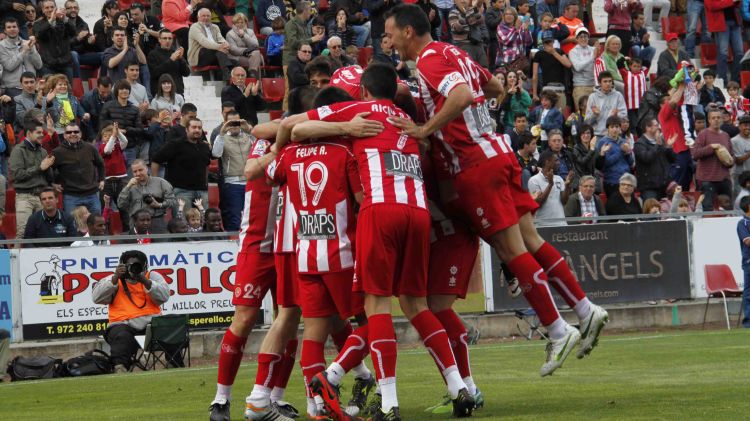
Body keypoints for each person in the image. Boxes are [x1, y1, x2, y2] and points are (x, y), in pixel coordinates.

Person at [387, 0, 608, 390]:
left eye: (390, 35)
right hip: (498, 151)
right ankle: (584, 308)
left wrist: (426, 130)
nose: (389, 42)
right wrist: (482, 120)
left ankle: (557, 330)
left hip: (475, 164)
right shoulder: (455, 51)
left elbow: (457, 96)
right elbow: (492, 86)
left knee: (511, 251)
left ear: (408, 31)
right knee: (529, 239)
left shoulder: (428, 60)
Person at [92, 250, 171, 372]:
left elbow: (164, 296)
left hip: (151, 324)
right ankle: (120, 368)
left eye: (137, 266)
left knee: (173, 324)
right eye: (129, 266)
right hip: (123, 324)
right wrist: (115, 278)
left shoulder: (152, 276)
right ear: (122, 266)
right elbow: (96, 298)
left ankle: (174, 363)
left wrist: (143, 279)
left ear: (145, 266)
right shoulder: (114, 279)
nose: (133, 269)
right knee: (122, 336)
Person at [152, 118, 212, 213]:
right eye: (194, 127)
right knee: (182, 224)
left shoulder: (204, 146)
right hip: (181, 191)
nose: (197, 130)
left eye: (199, 128)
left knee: (204, 222)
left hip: (201, 191)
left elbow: (207, 165)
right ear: (187, 129)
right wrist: (154, 183)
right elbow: (156, 160)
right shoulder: (175, 144)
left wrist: (205, 182)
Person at [9, 122, 54, 239]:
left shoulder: (43, 151)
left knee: (45, 233)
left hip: (42, 196)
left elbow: (48, 177)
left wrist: (49, 167)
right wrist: (40, 168)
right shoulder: (18, 150)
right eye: (38, 133)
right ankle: (15, 257)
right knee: (22, 233)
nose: (41, 135)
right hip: (24, 196)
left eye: (42, 133)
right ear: (29, 133)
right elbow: (17, 175)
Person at [212, 111, 253, 231]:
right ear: (225, 123)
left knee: (251, 217)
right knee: (234, 218)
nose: (235, 125)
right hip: (232, 183)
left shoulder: (248, 136)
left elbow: (260, 148)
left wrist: (249, 131)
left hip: (250, 182)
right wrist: (222, 133)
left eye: (237, 122)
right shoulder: (221, 138)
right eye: (231, 122)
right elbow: (216, 153)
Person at [51, 123, 105, 215]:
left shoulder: (90, 148)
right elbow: (49, 169)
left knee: (95, 223)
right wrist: (52, 184)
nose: (72, 134)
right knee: (72, 225)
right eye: (69, 132)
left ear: (80, 134)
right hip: (71, 195)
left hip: (91, 193)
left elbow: (100, 164)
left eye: (76, 131)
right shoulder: (57, 152)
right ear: (64, 135)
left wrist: (102, 179)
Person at [692, 108, 735, 211]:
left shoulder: (725, 135)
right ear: (709, 120)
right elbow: (695, 154)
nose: (716, 120)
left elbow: (732, 155)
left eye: (718, 117)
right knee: (708, 208)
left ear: (722, 120)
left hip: (724, 178)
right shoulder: (703, 134)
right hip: (707, 179)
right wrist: (711, 147)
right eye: (713, 118)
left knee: (728, 208)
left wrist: (729, 160)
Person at [118, 159, 176, 234]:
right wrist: (128, 187)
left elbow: (173, 201)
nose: (138, 173)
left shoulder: (161, 182)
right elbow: (121, 205)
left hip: (156, 220)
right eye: (135, 171)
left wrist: (160, 205)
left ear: (147, 169)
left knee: (159, 245)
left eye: (140, 170)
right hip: (136, 223)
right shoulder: (129, 186)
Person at [99, 80, 147, 168]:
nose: (124, 91)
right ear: (117, 91)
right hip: (112, 147)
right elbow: (102, 124)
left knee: (130, 176)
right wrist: (114, 129)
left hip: (130, 148)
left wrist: (126, 131)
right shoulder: (108, 106)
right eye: (121, 89)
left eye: (126, 89)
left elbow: (140, 130)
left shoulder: (135, 109)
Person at [634, 118, 677, 200]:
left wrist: (669, 147)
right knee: (652, 211)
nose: (659, 127)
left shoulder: (661, 141)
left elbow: (673, 160)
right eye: (656, 125)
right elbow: (647, 158)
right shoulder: (639, 143)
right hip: (649, 187)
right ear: (648, 128)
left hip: (664, 185)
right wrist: (657, 144)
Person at [34, 0, 77, 80]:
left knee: (68, 90)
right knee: (49, 90)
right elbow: (39, 35)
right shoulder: (38, 23)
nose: (50, 9)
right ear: (43, 10)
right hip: (48, 64)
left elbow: (74, 32)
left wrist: (65, 19)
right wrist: (50, 21)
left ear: (55, 8)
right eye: (47, 7)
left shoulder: (64, 21)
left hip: (65, 63)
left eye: (52, 7)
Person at [187, 8, 235, 81]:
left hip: (215, 54)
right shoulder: (195, 27)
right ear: (198, 17)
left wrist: (226, 45)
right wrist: (220, 47)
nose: (206, 18)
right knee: (216, 52)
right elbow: (204, 42)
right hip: (199, 56)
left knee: (235, 62)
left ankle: (232, 77)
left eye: (208, 16)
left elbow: (221, 39)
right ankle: (228, 77)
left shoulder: (215, 27)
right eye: (203, 16)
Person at [528, 150, 573, 226]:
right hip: (543, 225)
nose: (559, 163)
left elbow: (564, 201)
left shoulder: (559, 179)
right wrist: (550, 185)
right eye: (556, 160)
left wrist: (567, 185)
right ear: (547, 162)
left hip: (561, 223)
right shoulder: (534, 180)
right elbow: (538, 203)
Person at [0, 18, 42, 98]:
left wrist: (32, 49)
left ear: (18, 29)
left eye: (14, 26)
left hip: (31, 85)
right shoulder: (1, 46)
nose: (12, 29)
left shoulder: (27, 43)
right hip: (13, 87)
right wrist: (24, 51)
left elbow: (39, 65)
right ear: (5, 31)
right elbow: (9, 66)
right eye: (9, 27)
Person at [595, 116, 634, 197]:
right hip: (612, 181)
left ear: (620, 128)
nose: (615, 129)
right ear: (608, 128)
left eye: (617, 127)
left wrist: (628, 153)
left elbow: (631, 162)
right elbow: (605, 164)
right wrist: (621, 151)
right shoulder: (603, 142)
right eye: (612, 127)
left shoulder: (623, 141)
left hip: (626, 180)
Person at [706, 0, 742, 84]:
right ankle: (723, 81)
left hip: (735, 22)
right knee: (723, 53)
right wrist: (731, 1)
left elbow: (738, 5)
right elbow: (711, 5)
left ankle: (734, 81)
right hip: (721, 23)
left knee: (740, 53)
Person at [147, 29, 191, 96]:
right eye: (165, 38)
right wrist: (171, 60)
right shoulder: (152, 54)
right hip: (161, 94)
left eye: (170, 38)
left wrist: (181, 60)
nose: (167, 41)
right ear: (159, 39)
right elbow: (154, 73)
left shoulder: (176, 52)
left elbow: (186, 73)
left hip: (177, 93)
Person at [585, 71, 627, 137]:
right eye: (605, 81)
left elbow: (624, 116)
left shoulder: (618, 95)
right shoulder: (592, 97)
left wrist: (616, 116)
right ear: (599, 83)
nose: (608, 84)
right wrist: (594, 114)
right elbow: (587, 121)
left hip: (615, 134)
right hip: (598, 134)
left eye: (610, 81)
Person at [225, 13, 262, 78]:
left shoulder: (250, 31)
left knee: (256, 54)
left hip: (252, 55)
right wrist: (246, 51)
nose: (240, 24)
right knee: (256, 61)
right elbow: (233, 50)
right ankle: (255, 79)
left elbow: (256, 45)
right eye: (237, 22)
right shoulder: (230, 34)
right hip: (237, 57)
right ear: (234, 23)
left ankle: (252, 73)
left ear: (245, 23)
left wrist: (244, 36)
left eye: (242, 22)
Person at [569, 27, 596, 112]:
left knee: (596, 112)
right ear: (576, 39)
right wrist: (592, 58)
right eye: (580, 37)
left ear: (588, 37)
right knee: (582, 113)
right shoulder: (573, 52)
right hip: (580, 86)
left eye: (585, 36)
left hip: (594, 86)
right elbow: (578, 67)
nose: (583, 39)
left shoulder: (593, 49)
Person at [495, 6, 532, 71]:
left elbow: (528, 42)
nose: (508, 16)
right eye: (506, 14)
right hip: (505, 63)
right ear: (503, 16)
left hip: (519, 63)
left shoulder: (520, 27)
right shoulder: (500, 27)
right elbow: (506, 41)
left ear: (515, 16)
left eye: (511, 14)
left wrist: (527, 31)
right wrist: (516, 29)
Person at [737, 196, 750, 328]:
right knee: (748, 293)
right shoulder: (742, 223)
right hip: (749, 262)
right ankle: (748, 322)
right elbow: (747, 241)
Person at [732, 116, 750, 194]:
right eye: (745, 125)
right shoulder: (734, 141)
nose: (748, 127)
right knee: (739, 200)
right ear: (739, 127)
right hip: (740, 176)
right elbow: (738, 161)